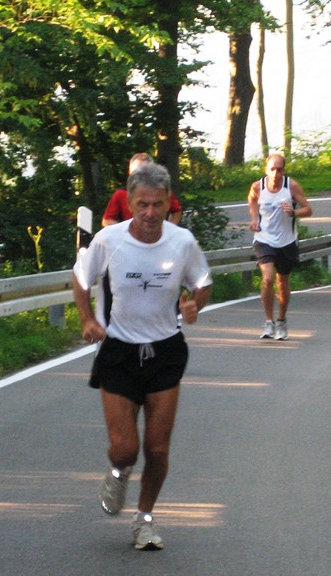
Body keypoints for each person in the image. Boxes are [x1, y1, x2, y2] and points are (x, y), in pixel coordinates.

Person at [72, 162, 213, 551]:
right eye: (142, 205)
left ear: (169, 203)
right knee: (126, 448)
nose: (150, 213)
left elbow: (202, 283)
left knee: (157, 448)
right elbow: (82, 279)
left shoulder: (182, 241)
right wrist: (87, 319)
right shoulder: (108, 240)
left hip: (165, 350)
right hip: (118, 350)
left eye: (158, 204)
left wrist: (194, 305)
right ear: (129, 204)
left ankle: (144, 520)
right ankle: (118, 471)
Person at [247, 154, 313, 339]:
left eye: (279, 169)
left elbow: (308, 209)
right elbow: (252, 201)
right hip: (264, 239)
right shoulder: (257, 187)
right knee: (267, 279)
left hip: (286, 241)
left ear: (284, 170)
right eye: (272, 169)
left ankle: (282, 321)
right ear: (266, 170)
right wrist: (254, 219)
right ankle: (269, 322)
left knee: (282, 282)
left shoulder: (291, 186)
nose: (276, 173)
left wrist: (294, 212)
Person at [102, 153, 183, 227]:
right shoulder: (121, 194)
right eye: (136, 172)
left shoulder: (161, 192)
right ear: (130, 172)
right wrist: (125, 232)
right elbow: (107, 220)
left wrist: (169, 229)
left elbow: (176, 211)